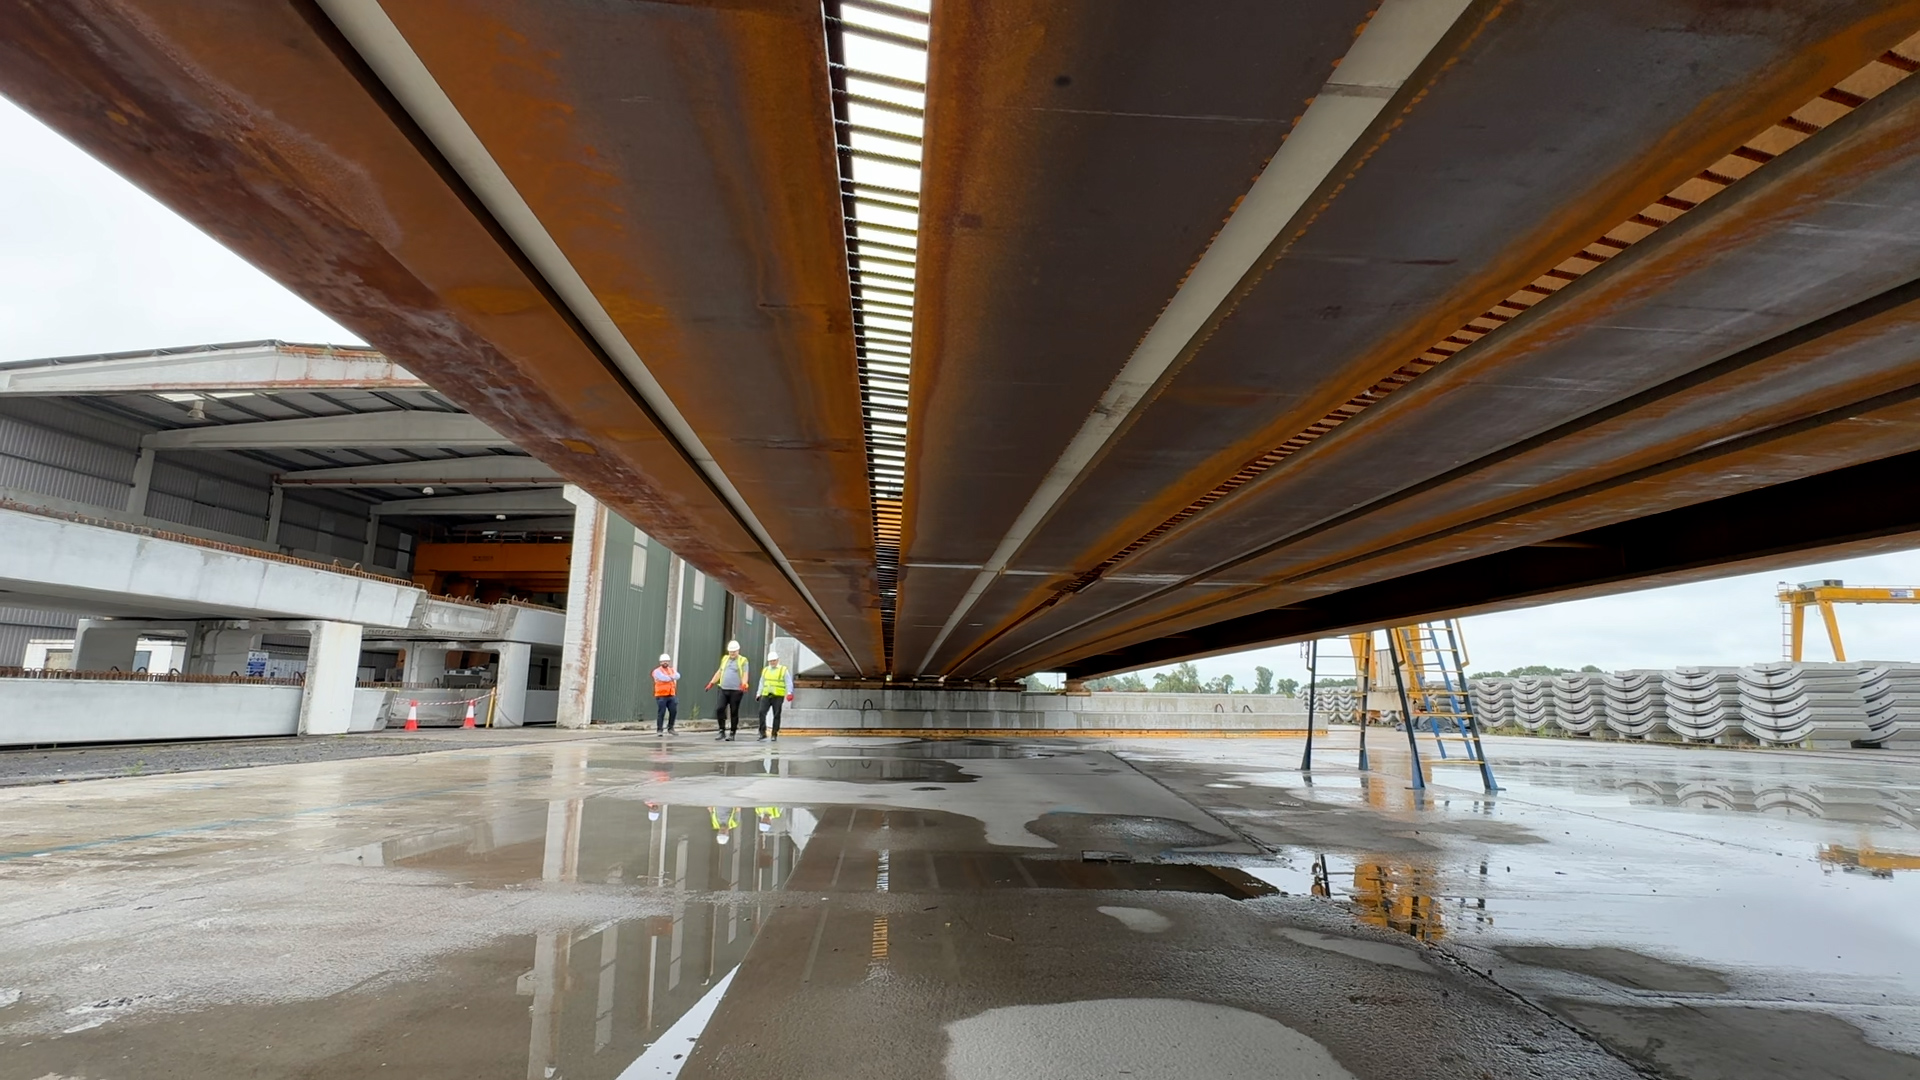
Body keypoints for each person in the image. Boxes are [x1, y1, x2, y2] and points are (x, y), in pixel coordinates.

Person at [707, 640, 750, 741]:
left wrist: (744, 683)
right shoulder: (725, 659)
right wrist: (712, 682)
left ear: (738, 651)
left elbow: (745, 673)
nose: (732, 653)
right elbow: (720, 671)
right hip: (723, 689)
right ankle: (721, 730)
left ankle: (732, 733)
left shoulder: (743, 660)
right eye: (730, 651)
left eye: (734, 651)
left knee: (734, 711)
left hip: (736, 690)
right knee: (719, 709)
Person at [757, 652, 792, 740]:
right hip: (766, 694)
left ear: (777, 660)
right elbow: (762, 682)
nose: (772, 662)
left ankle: (774, 734)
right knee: (761, 712)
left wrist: (789, 693)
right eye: (771, 661)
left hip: (778, 696)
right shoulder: (765, 670)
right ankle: (762, 732)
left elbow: (788, 682)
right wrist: (758, 693)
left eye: (774, 660)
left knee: (776, 714)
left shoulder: (783, 670)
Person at [652, 652, 678, 735]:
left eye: (667, 661)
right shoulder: (656, 671)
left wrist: (670, 677)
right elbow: (663, 678)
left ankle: (671, 728)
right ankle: (659, 730)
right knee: (661, 712)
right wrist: (671, 677)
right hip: (661, 695)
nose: (665, 662)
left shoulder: (671, 669)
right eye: (663, 661)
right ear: (660, 662)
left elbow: (678, 676)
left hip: (671, 694)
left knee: (673, 711)